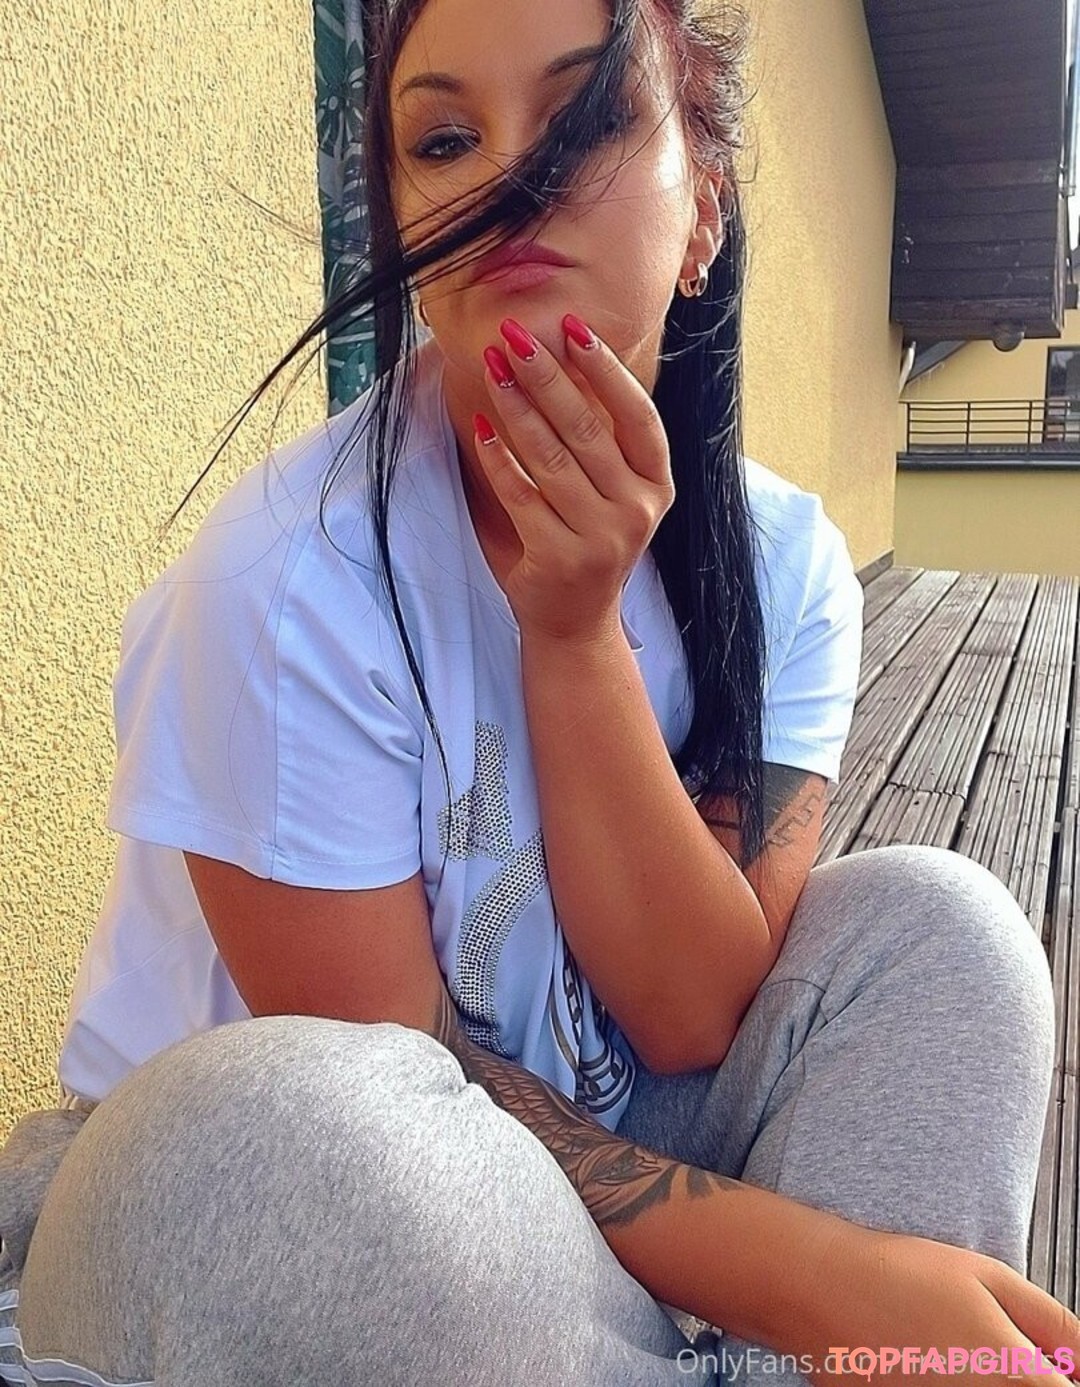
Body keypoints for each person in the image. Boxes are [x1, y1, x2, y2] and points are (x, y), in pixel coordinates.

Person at [1, 0, 1075, 1383]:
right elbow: (403, 1085)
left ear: (704, 210)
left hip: (574, 1164)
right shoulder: (283, 584)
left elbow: (692, 1017)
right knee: (283, 1136)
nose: (509, 179)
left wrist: (574, 642)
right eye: (446, 140)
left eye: (585, 119)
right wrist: (832, 1281)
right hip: (285, 1222)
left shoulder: (786, 565)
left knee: (946, 939)